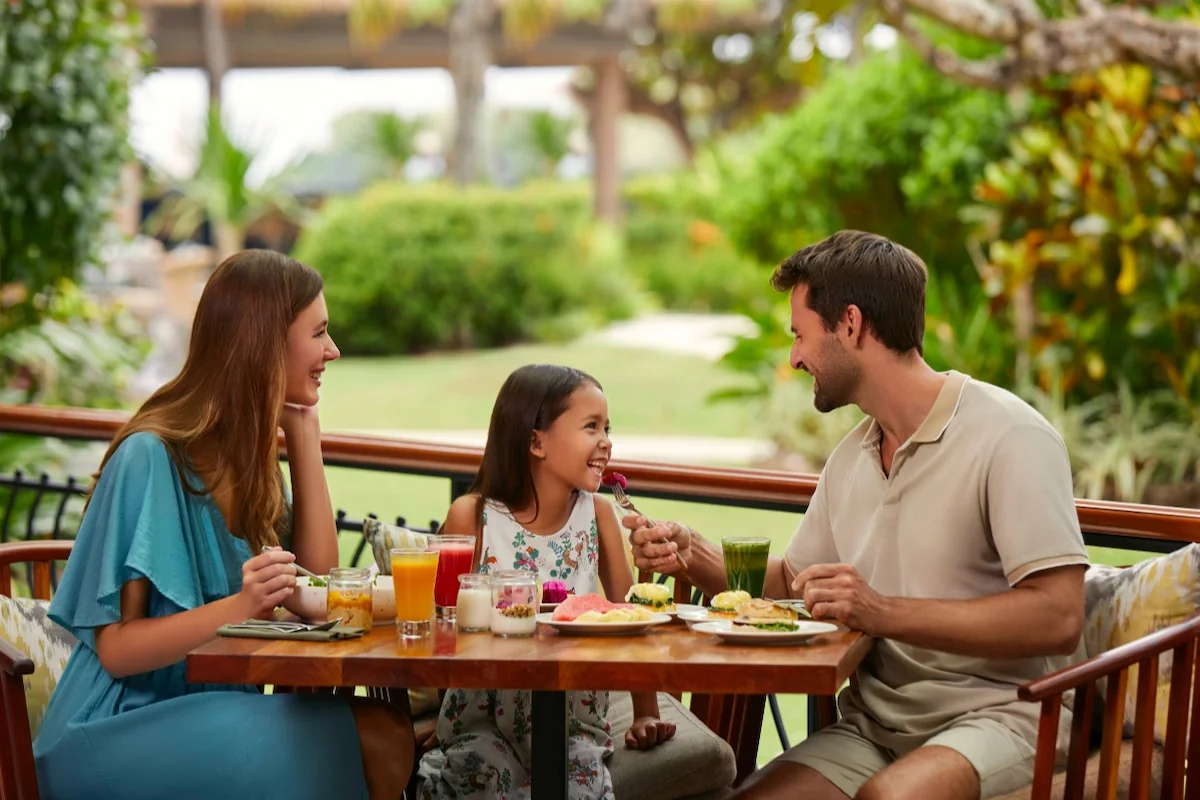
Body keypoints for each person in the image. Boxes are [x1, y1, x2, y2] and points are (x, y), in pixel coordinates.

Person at [625, 230, 1089, 800]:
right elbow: (791, 583)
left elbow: (1059, 617)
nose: (794, 357)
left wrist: (881, 611)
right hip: (873, 727)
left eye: (800, 335)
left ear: (850, 323)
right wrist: (691, 554)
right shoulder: (853, 456)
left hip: (1001, 717)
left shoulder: (1010, 436)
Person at [34, 250, 414, 799]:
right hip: (114, 729)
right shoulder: (150, 457)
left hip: (210, 710)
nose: (333, 350)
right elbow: (116, 650)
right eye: (320, 333)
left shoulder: (248, 461)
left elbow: (320, 583)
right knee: (377, 735)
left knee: (384, 729)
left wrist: (305, 436)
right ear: (266, 343)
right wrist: (241, 606)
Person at [417, 364, 676, 799]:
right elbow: (439, 626)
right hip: (482, 720)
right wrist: (441, 712)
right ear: (536, 441)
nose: (606, 441)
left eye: (607, 427)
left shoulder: (598, 515)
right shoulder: (473, 517)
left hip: (574, 724)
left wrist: (644, 713)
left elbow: (632, 624)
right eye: (591, 426)